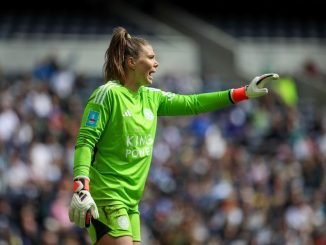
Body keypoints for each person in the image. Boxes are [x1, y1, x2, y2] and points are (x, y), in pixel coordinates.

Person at [68, 26, 279, 245]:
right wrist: (81, 188)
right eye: (150, 58)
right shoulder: (108, 94)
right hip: (107, 195)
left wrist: (243, 92)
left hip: (131, 202)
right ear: (131, 63)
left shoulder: (152, 97)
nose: (156, 63)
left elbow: (193, 103)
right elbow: (85, 141)